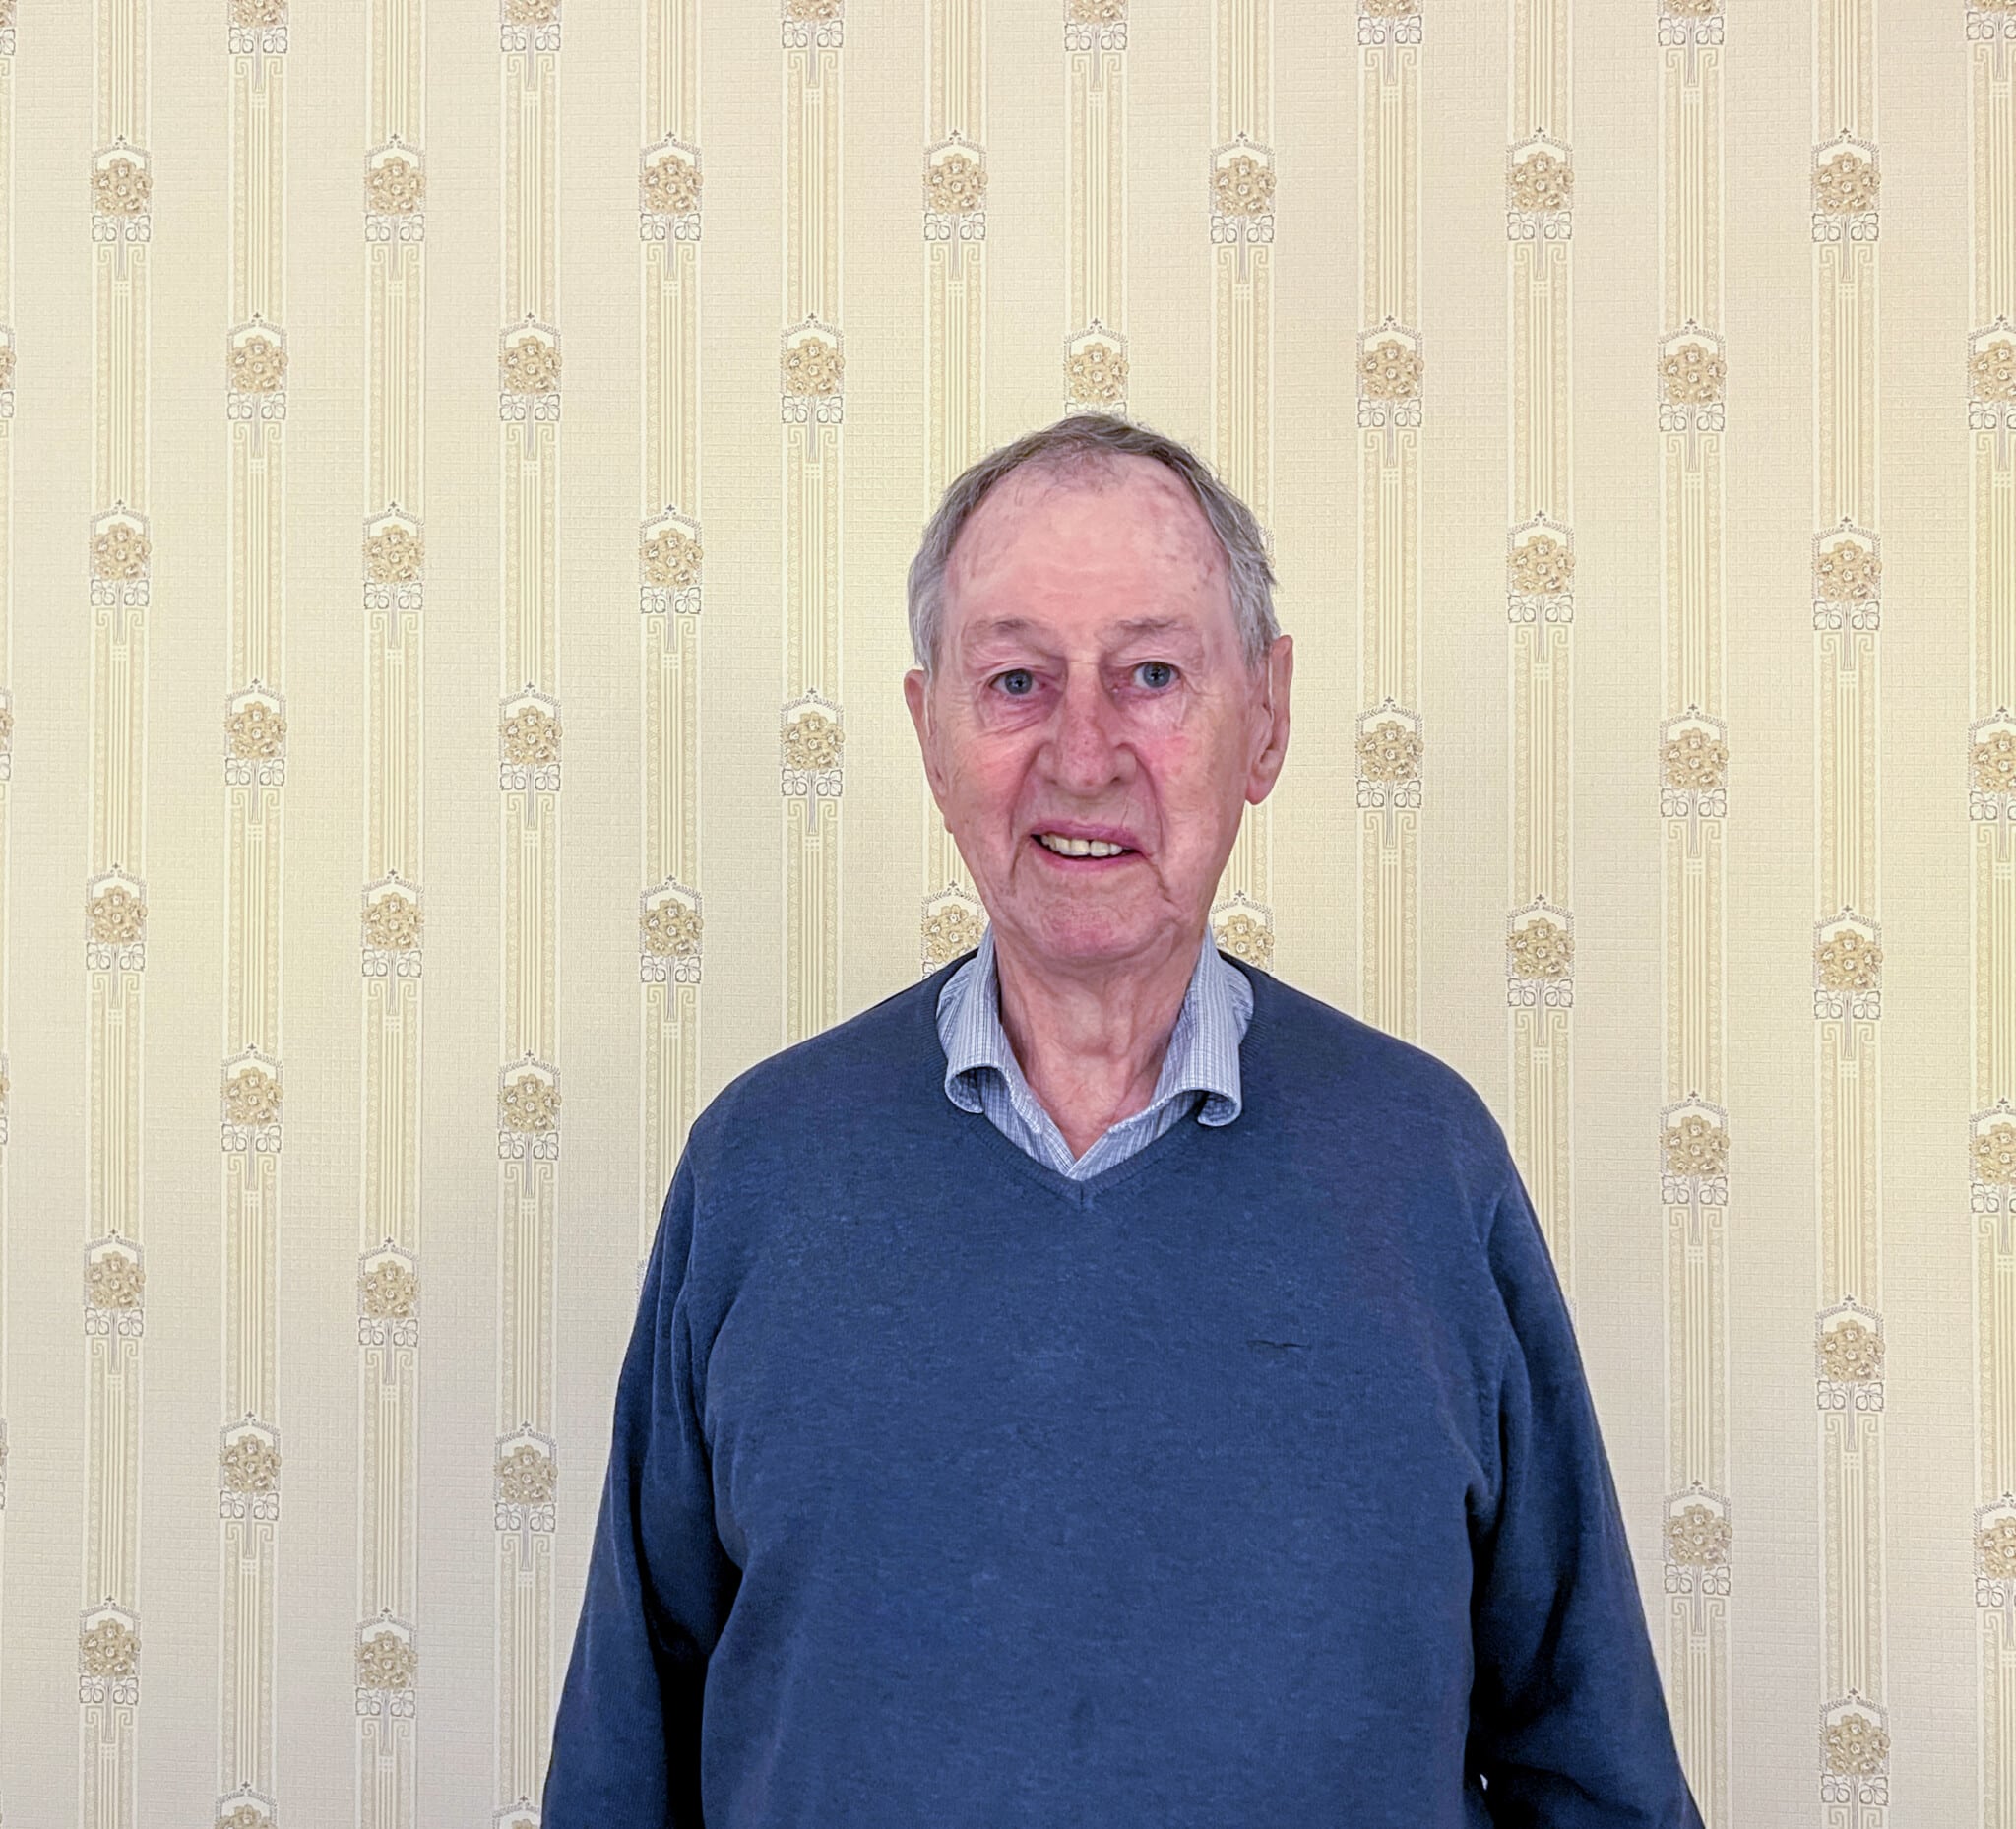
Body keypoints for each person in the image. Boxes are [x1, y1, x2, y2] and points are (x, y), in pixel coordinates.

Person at [541, 414, 1706, 1827]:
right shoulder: (761, 1168)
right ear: (930, 734)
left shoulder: (1426, 1165)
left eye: (1153, 674)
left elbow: (1592, 1770)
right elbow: (622, 1766)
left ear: (1265, 718)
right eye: (1016, 680)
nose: (1083, 755)